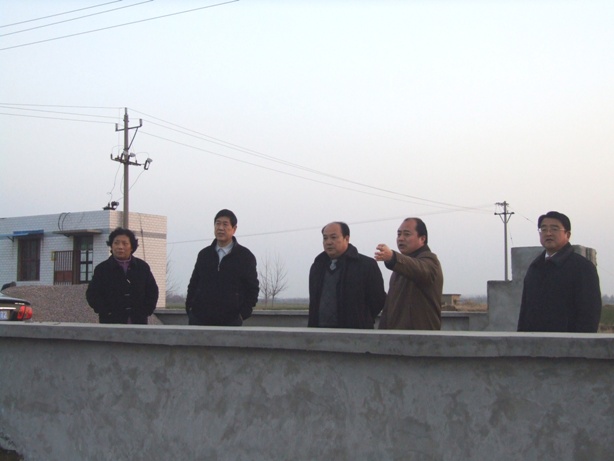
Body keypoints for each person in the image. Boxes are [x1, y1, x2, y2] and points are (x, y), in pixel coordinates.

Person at [517, 211, 602, 332]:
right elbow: (525, 311)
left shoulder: (582, 268)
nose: (548, 233)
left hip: (567, 341)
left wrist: (581, 342)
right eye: (543, 229)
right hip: (534, 341)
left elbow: (589, 314)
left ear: (567, 234)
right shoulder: (534, 268)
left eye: (554, 229)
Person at [186, 209, 259, 326]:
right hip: (200, 320)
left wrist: (242, 315)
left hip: (230, 321)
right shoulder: (204, 255)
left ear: (234, 229)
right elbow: (193, 284)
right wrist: (190, 309)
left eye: (225, 224)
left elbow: (252, 289)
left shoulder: (245, 256)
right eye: (218, 224)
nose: (220, 228)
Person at [308, 222, 386, 329]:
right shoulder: (317, 266)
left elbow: (378, 300)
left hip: (355, 333)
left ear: (347, 238)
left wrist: (361, 318)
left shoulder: (366, 265)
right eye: (325, 238)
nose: (328, 242)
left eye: (333, 237)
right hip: (319, 333)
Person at [374, 217, 443, 330]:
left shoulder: (430, 261)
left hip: (420, 338)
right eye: (399, 234)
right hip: (396, 337)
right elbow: (389, 308)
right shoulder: (400, 266)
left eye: (407, 234)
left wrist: (393, 257)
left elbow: (420, 269)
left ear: (422, 238)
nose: (401, 238)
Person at [86, 227, 159, 324]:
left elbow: (152, 291)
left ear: (132, 247)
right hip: (111, 322)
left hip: (138, 321)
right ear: (111, 246)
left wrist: (146, 311)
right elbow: (92, 294)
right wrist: (105, 311)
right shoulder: (102, 269)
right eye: (116, 243)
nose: (120, 247)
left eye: (125, 243)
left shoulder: (142, 267)